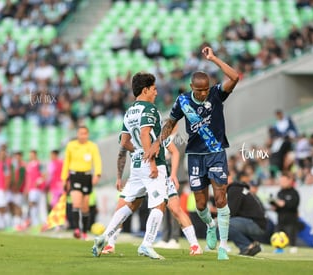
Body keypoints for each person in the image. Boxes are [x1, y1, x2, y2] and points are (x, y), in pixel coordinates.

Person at [150, 46, 239, 260]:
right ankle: (209, 225)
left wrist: (214, 58)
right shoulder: (183, 101)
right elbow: (171, 122)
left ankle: (223, 246)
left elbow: (235, 77)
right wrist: (158, 143)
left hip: (216, 152)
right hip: (196, 156)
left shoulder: (217, 94)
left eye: (205, 89)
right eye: (199, 90)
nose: (203, 92)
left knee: (220, 198)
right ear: (191, 87)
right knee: (200, 205)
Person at [92, 72, 168, 259]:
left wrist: (139, 153)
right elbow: (144, 135)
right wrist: (150, 161)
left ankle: (104, 236)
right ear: (145, 90)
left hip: (136, 164)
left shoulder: (129, 111)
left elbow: (124, 141)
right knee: (159, 204)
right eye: (154, 89)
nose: (156, 93)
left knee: (130, 203)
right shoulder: (149, 109)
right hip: (153, 163)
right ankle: (147, 244)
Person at [101, 133, 202, 256]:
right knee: (120, 207)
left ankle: (195, 245)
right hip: (139, 177)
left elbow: (175, 152)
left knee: (175, 209)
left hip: (159, 176)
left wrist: (173, 174)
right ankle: (110, 244)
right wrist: (119, 177)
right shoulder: (128, 133)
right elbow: (122, 154)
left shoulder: (156, 134)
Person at [61, 126, 102, 239]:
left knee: (85, 207)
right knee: (76, 203)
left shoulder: (92, 146)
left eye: (85, 133)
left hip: (87, 176)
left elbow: (97, 160)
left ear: (87, 134)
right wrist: (64, 179)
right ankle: (76, 229)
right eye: (80, 133)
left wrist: (97, 174)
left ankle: (84, 231)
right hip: (75, 176)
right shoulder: (71, 145)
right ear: (77, 134)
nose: (83, 136)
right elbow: (66, 162)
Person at [227, 171, 266, 256]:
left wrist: (216, 216)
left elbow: (231, 212)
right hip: (257, 223)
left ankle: (246, 246)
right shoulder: (237, 188)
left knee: (225, 223)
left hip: (256, 224)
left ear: (229, 178)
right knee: (225, 222)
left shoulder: (233, 189)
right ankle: (252, 244)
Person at [270, 171, 300, 253]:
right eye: (281, 181)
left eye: (283, 181)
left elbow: (295, 205)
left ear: (289, 181)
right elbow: (278, 207)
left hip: (291, 221)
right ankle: (279, 249)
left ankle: (293, 248)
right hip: (280, 220)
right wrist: (275, 207)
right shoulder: (280, 193)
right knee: (277, 236)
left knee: (291, 239)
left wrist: (284, 204)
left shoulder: (294, 193)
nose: (282, 183)